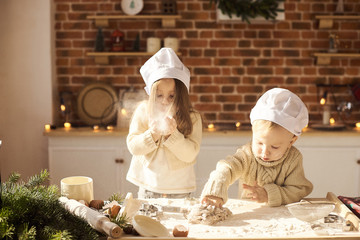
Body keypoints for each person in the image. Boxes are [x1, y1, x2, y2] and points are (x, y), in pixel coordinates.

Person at [201, 88, 313, 207]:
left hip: (283, 215)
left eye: (274, 147)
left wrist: (269, 194)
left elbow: (298, 190)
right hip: (251, 214)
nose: (265, 153)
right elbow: (227, 168)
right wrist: (215, 190)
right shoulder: (247, 154)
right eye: (259, 143)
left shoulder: (293, 159)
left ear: (291, 141)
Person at [126, 48, 203, 199]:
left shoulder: (192, 117)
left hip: (181, 189)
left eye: (172, 96)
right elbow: (134, 147)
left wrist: (172, 135)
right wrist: (152, 134)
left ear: (181, 95)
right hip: (148, 187)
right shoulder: (143, 111)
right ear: (151, 93)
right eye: (159, 95)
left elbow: (190, 154)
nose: (164, 101)